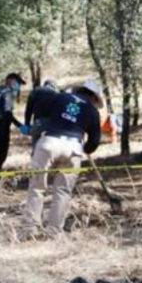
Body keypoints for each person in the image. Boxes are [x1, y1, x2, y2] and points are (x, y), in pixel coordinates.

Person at [23, 80, 104, 236]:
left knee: (37, 187)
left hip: (48, 142)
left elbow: (40, 112)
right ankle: (53, 231)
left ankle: (30, 229)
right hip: (73, 147)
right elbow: (94, 141)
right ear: (94, 97)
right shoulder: (93, 112)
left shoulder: (59, 97)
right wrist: (84, 148)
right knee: (62, 191)